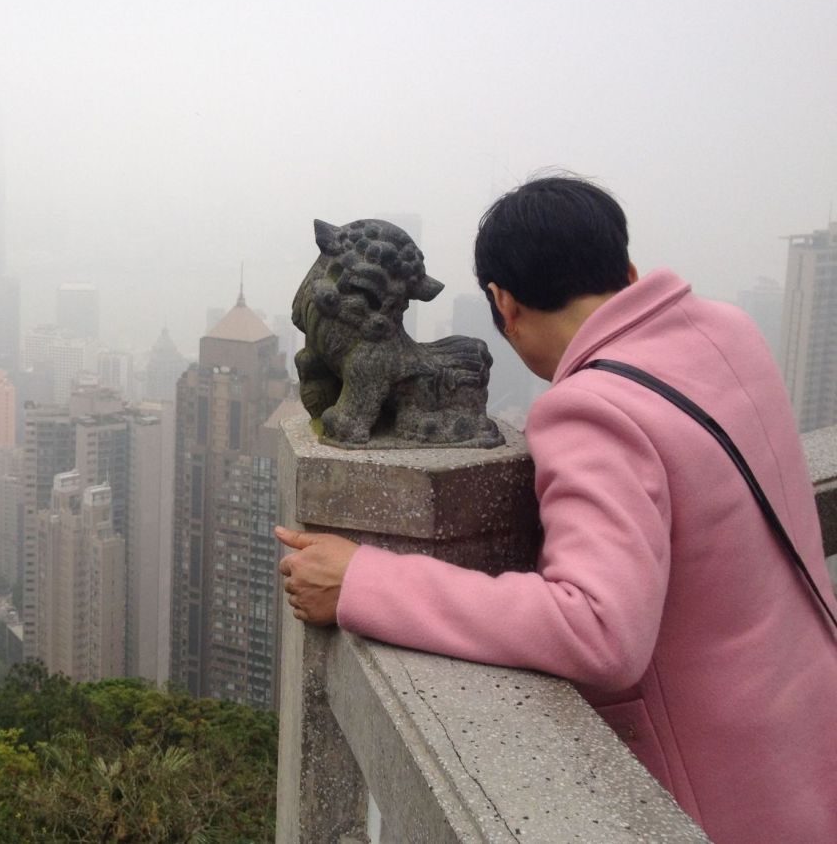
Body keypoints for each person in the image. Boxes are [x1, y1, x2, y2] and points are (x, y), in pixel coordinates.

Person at [275, 176, 837, 844]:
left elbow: (598, 630)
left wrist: (364, 581)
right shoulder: (729, 332)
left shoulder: (590, 411)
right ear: (624, 270)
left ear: (504, 303)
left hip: (722, 801)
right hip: (810, 737)